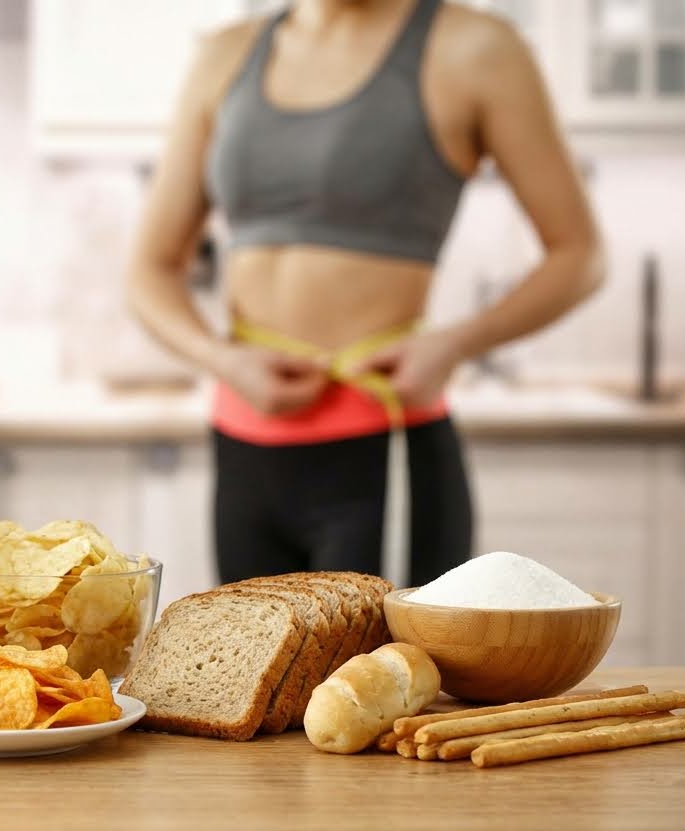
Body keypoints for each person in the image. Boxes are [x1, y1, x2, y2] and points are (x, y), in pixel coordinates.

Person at [126, 0, 603, 587]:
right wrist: (221, 359)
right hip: (244, 454)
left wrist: (455, 343)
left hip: (385, 450)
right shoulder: (225, 55)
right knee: (253, 652)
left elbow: (580, 254)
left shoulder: (475, 49)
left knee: (393, 652)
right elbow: (149, 268)